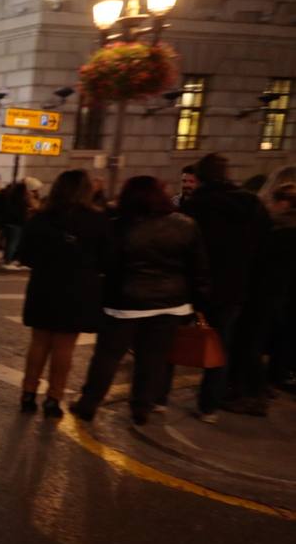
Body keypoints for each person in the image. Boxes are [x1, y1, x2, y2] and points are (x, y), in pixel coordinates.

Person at [70, 176, 209, 427]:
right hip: (170, 302)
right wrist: (199, 303)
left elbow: (105, 264)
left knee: (108, 356)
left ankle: (89, 403)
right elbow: (197, 268)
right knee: (153, 358)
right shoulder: (186, 225)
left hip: (125, 302)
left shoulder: (118, 226)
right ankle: (141, 408)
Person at [180, 153, 269, 422]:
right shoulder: (251, 204)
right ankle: (209, 406)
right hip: (235, 287)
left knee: (175, 338)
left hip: (196, 285)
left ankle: (157, 398)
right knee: (221, 345)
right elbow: (264, 245)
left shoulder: (196, 206)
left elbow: (185, 246)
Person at [15, 170, 110, 418]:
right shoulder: (97, 220)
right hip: (78, 288)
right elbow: (106, 259)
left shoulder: (41, 218)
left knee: (39, 342)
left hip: (44, 285)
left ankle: (28, 393)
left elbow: (25, 255)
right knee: (64, 347)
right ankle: (53, 399)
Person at [222, 182, 296, 416]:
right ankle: (257, 388)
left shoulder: (282, 231)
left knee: (250, 344)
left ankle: (254, 396)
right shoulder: (283, 229)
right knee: (256, 343)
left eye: (273, 201)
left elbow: (264, 265)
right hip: (277, 296)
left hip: (265, 295)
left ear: (283, 203)